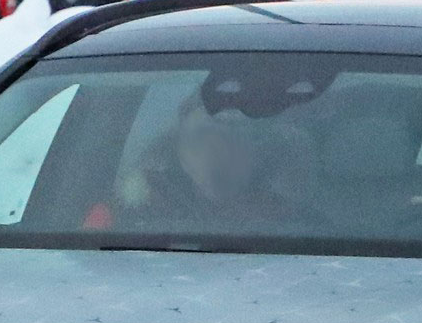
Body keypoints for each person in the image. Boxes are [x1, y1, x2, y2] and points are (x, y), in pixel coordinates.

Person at [118, 95, 299, 233]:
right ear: (179, 151)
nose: (212, 152)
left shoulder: (287, 221)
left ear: (252, 150)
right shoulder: (144, 206)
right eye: (199, 140)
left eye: (228, 139)